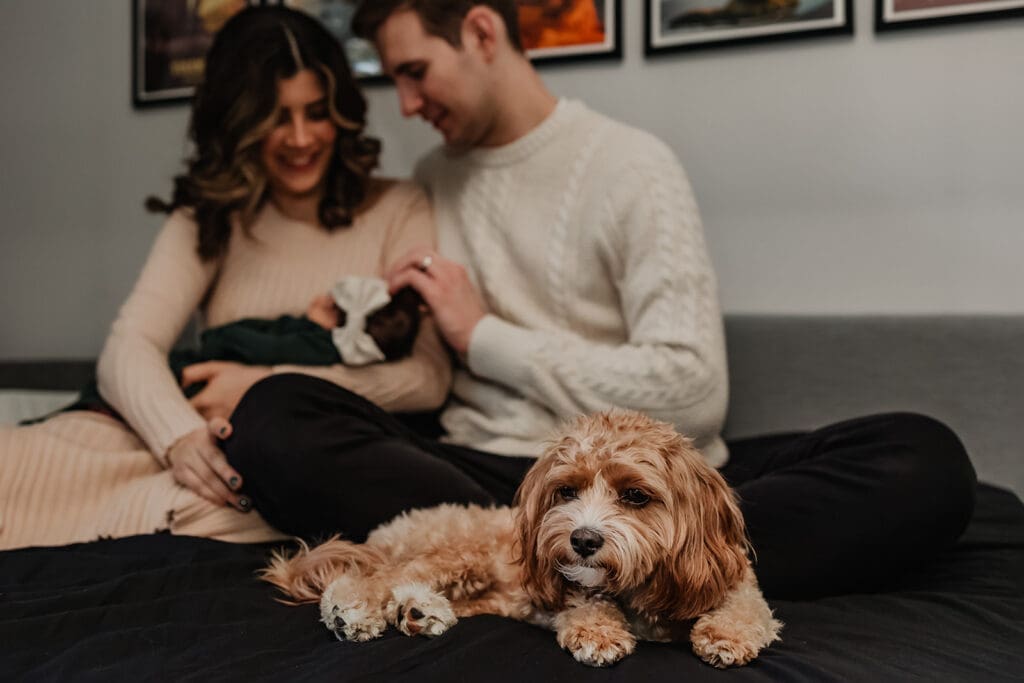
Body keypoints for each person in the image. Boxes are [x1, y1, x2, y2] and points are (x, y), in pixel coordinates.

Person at [223, 0, 976, 599]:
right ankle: (564, 562)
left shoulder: (631, 167)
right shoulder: (431, 178)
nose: (410, 102)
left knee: (922, 458)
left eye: (416, 72)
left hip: (642, 487)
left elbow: (694, 390)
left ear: (482, 30)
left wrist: (483, 335)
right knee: (274, 412)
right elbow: (401, 356)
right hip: (485, 477)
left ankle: (584, 562)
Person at [0, 5, 449, 550]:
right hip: (169, 437)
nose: (301, 138)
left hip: (262, 459)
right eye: (276, 118)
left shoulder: (398, 207)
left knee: (198, 519)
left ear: (343, 113)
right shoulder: (211, 213)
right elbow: (129, 347)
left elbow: (427, 379)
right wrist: (178, 438)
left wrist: (263, 389)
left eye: (316, 112)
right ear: (238, 124)